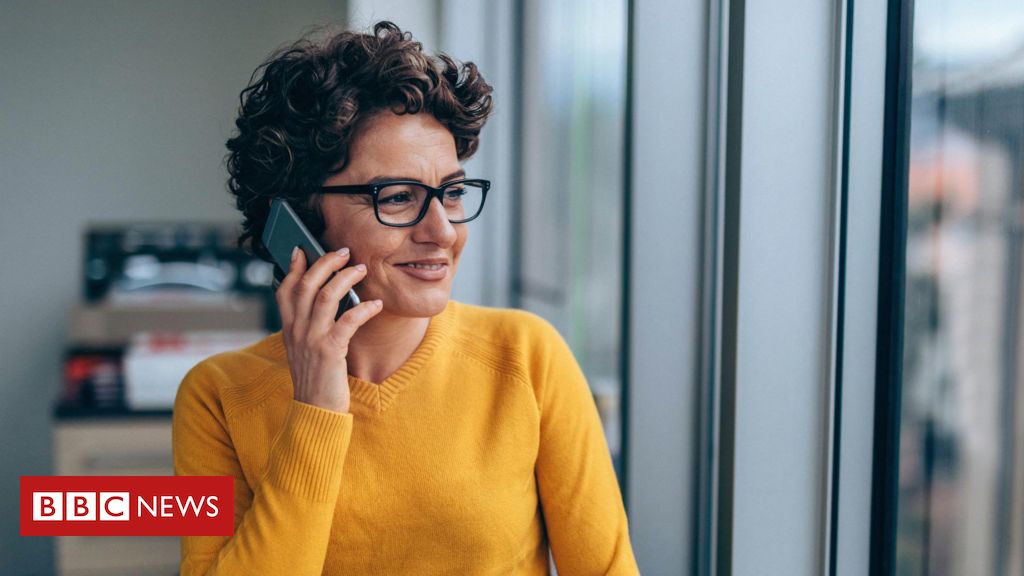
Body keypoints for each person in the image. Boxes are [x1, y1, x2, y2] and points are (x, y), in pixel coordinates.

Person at [172, 20, 639, 575]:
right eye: (397, 198)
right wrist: (316, 410)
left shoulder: (528, 357)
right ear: (296, 218)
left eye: (453, 193)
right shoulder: (219, 398)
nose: (443, 230)